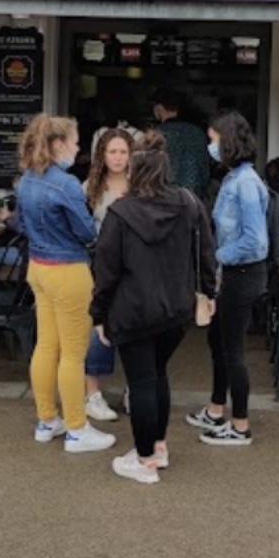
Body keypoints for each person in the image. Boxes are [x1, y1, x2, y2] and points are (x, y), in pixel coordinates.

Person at [91, 132, 217, 484]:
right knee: (157, 375)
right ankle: (157, 447)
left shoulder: (120, 212)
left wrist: (98, 313)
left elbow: (105, 270)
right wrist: (209, 291)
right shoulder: (189, 203)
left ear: (134, 170)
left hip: (132, 310)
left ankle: (144, 459)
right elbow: (207, 252)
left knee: (142, 381)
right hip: (176, 310)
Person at [15, 114, 115, 453]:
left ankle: (47, 421)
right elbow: (87, 231)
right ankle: (77, 428)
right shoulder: (67, 184)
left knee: (46, 346)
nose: (77, 148)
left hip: (38, 267)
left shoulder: (27, 179)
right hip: (69, 270)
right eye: (74, 142)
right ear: (58, 145)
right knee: (74, 354)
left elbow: (20, 223)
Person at [187, 110, 268, 447]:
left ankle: (240, 424)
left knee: (233, 350)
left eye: (213, 141)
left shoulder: (246, 184)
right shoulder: (234, 178)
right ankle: (216, 408)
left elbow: (256, 241)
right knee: (217, 342)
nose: (211, 147)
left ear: (229, 142)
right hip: (230, 275)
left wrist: (217, 258)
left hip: (242, 274)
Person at [81, 127, 134, 422]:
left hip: (134, 268)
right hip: (98, 267)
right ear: (102, 154)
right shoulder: (89, 187)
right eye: (112, 151)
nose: (117, 157)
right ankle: (93, 394)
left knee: (133, 329)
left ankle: (133, 389)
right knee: (96, 329)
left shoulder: (140, 185)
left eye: (123, 152)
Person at [151, 88, 210, 197]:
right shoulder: (197, 132)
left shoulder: (157, 135)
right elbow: (205, 170)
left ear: (159, 108)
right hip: (194, 198)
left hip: (165, 198)